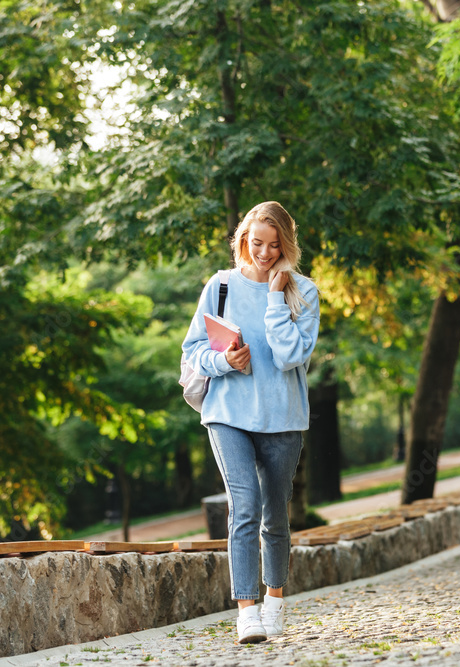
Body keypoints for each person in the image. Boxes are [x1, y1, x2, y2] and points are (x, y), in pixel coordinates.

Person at [181, 201, 321, 644]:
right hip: (228, 416)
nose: (263, 252)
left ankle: (275, 599)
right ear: (243, 239)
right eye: (256, 242)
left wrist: (276, 298)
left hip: (282, 419)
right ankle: (247, 612)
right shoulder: (219, 287)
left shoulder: (304, 292)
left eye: (274, 244)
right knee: (243, 507)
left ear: (286, 245)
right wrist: (225, 360)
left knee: (274, 515)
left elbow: (290, 356)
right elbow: (192, 354)